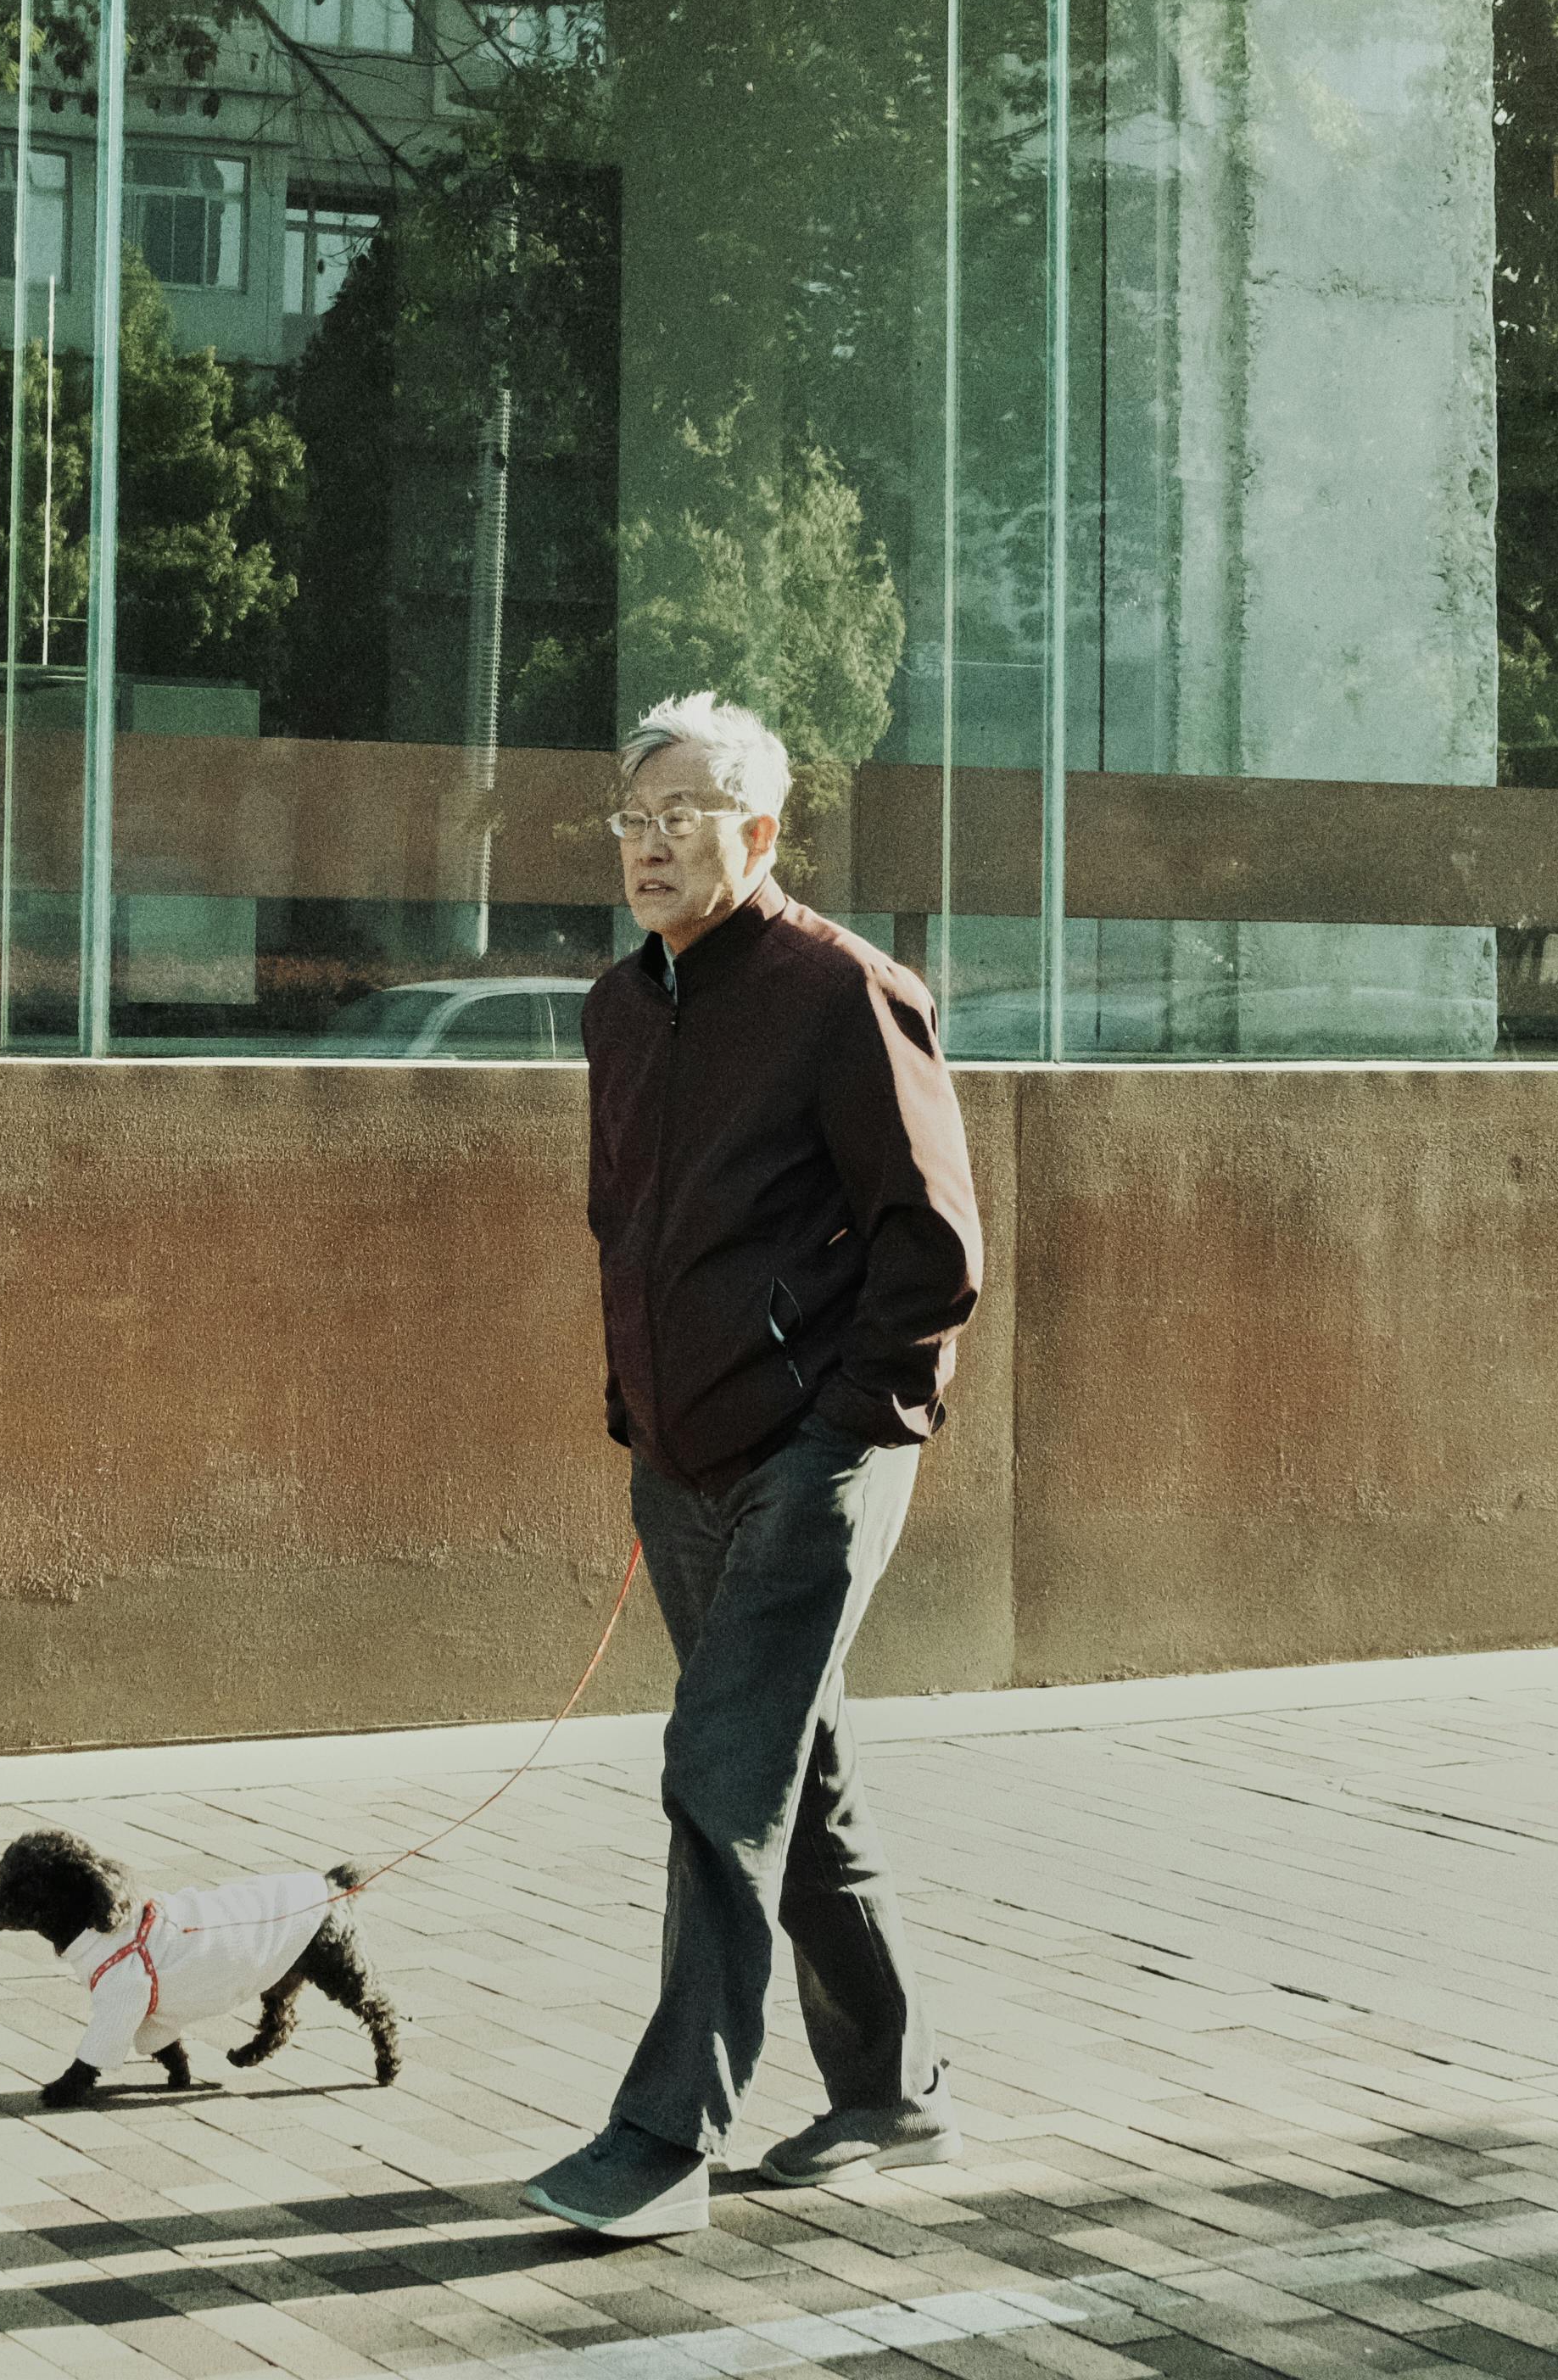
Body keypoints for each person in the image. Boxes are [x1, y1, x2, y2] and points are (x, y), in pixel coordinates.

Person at [522, 690, 987, 2243]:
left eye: (683, 818)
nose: (648, 846)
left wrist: (849, 1422)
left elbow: (935, 1245)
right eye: (630, 821)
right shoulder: (615, 1008)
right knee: (805, 1783)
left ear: (762, 832)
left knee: (721, 1779)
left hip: (819, 1457)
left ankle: (667, 2137)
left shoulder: (844, 992)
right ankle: (892, 2090)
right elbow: (628, 1229)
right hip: (683, 1456)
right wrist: (640, 1413)